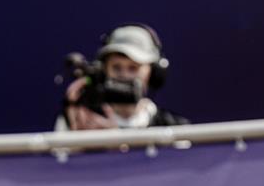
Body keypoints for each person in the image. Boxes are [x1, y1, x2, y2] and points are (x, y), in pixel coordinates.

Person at [55, 24, 188, 131]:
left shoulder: (175, 128)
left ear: (154, 73)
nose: (124, 75)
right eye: (116, 67)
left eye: (133, 68)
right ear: (104, 71)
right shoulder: (79, 121)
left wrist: (115, 143)